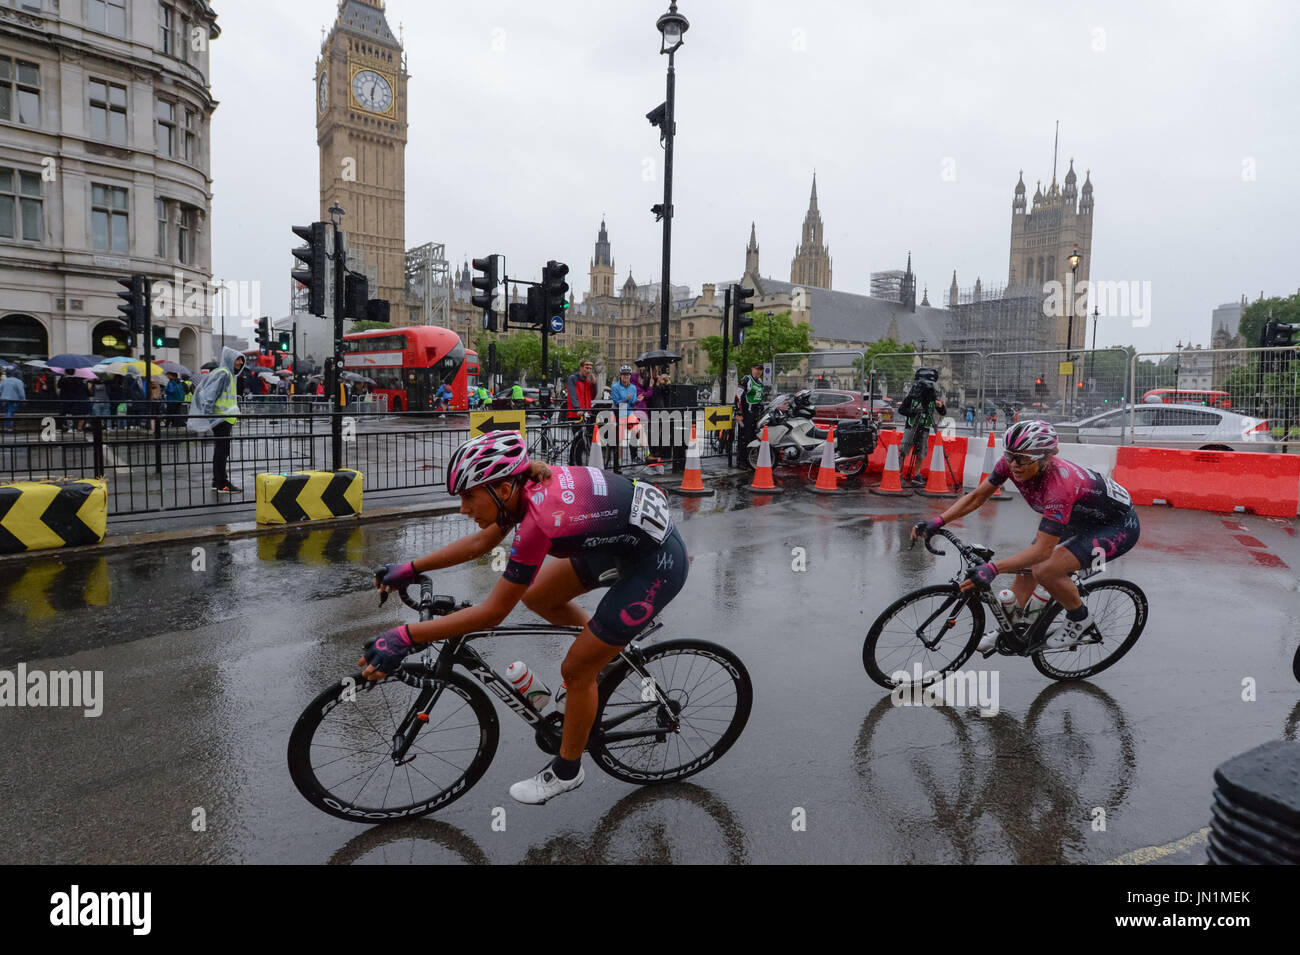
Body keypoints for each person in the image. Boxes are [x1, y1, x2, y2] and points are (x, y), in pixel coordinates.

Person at [367, 431, 688, 804]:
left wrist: (407, 635)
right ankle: (608, 650)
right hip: (621, 542)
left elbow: (493, 613)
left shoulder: (541, 518)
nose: (463, 508)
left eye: (469, 496)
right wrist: (410, 566)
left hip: (656, 564)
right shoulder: (520, 489)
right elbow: (480, 541)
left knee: (577, 670)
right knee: (539, 596)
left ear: (503, 489)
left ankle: (567, 770)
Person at [910, 420, 1140, 653]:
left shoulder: (1059, 486)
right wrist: (938, 521)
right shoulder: (1011, 463)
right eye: (1010, 455)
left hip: (1116, 526)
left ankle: (1080, 620)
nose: (1014, 464)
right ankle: (1006, 631)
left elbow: (1042, 551)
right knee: (1025, 573)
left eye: (1023, 459)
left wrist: (994, 569)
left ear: (1047, 457)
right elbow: (977, 496)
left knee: (1044, 569)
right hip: (1077, 518)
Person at [189, 346, 244, 492]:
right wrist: (210, 417)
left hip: (223, 418)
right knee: (221, 451)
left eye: (241, 360)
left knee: (221, 450)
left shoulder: (228, 374)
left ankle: (217, 481)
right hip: (221, 419)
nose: (239, 362)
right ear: (229, 359)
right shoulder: (224, 374)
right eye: (237, 359)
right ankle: (222, 483)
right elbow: (210, 396)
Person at [896, 367, 947, 485]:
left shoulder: (933, 398)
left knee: (921, 451)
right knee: (904, 449)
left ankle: (917, 475)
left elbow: (943, 413)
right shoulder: (913, 395)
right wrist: (913, 412)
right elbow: (902, 409)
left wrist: (940, 406)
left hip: (924, 428)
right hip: (911, 427)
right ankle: (898, 473)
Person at [736, 363, 765, 468]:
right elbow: (738, 396)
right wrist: (738, 413)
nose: (758, 371)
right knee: (744, 438)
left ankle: (749, 460)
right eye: (756, 369)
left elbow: (760, 397)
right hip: (745, 414)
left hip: (756, 414)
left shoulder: (760, 382)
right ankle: (741, 461)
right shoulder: (746, 380)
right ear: (752, 369)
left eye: (760, 370)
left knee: (753, 438)